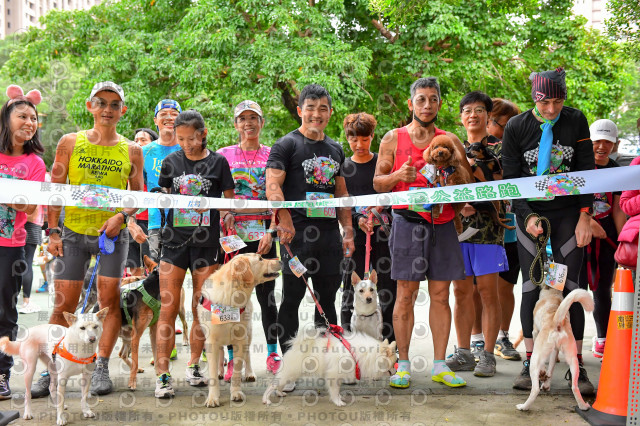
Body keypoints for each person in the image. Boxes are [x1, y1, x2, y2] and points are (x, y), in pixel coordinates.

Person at [39, 81, 144, 398]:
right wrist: (53, 230)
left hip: (112, 234)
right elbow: (55, 188)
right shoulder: (69, 142)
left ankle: (100, 366)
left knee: (109, 302)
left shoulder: (132, 149)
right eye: (101, 102)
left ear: (122, 110)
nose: (108, 109)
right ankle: (51, 369)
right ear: (90, 106)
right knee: (63, 305)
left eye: (114, 104)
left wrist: (122, 217)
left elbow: (137, 193)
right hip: (72, 233)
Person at [373, 77, 473, 389]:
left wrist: (454, 180)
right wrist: (396, 176)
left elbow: (468, 181)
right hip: (407, 224)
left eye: (432, 99)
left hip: (442, 225)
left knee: (442, 295)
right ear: (411, 103)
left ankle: (440, 365)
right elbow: (376, 183)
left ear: (440, 103)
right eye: (421, 99)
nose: (427, 105)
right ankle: (402, 365)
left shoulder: (450, 139)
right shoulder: (393, 138)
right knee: (405, 295)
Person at [501, 68, 595, 395]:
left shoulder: (576, 120)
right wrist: (526, 216)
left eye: (557, 101)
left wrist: (586, 215)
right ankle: (530, 364)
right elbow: (511, 179)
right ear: (534, 99)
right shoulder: (516, 127)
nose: (552, 110)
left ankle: (577, 366)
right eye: (545, 103)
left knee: (571, 287)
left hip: (569, 214)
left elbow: (587, 170)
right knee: (531, 287)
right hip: (532, 215)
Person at [266, 84, 355, 391]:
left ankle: (329, 364)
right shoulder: (286, 145)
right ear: (301, 110)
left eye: (323, 108)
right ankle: (288, 367)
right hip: (297, 237)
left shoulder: (335, 148)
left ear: (330, 112)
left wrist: (349, 231)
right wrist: (285, 219)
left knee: (327, 300)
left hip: (329, 236)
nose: (316, 114)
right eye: (311, 107)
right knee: (292, 299)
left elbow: (341, 193)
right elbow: (273, 187)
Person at [154, 109, 235, 398]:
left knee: (201, 308)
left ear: (204, 134)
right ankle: (162, 375)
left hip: (206, 243)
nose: (186, 144)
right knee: (168, 307)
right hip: (173, 243)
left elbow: (228, 201)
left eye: (192, 138)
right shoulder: (170, 161)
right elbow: (160, 197)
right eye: (181, 139)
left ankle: (194, 365)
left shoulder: (219, 162)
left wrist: (220, 212)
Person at [217, 100, 281, 377]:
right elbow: (218, 196)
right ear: (235, 124)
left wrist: (271, 230)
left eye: (253, 118)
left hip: (264, 237)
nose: (248, 123)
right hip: (233, 237)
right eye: (242, 119)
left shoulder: (273, 154)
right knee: (230, 298)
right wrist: (225, 215)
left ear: (262, 122)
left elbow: (279, 198)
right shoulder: (223, 155)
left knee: (268, 298)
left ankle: (271, 353)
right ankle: (232, 358)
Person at [445, 92, 506, 378]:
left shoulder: (501, 147)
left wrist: (475, 195)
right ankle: (464, 352)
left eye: (479, 110)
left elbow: (503, 183)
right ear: (461, 117)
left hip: (488, 228)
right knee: (461, 291)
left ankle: (489, 355)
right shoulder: (452, 147)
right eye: (467, 110)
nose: (473, 115)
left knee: (487, 291)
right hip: (457, 229)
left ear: (488, 116)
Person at [0, 85, 46, 399]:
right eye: (22, 116)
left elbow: (30, 208)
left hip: (11, 245)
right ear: (6, 119)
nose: (29, 122)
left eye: (33, 118)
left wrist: (17, 200)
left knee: (5, 312)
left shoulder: (35, 164)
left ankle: (1, 374)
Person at [339, 112, 396, 343]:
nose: (359, 144)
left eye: (364, 139)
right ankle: (348, 342)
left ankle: (390, 344)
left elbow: (392, 195)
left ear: (372, 137)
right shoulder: (343, 167)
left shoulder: (382, 165)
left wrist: (378, 213)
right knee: (350, 289)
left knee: (386, 290)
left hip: (381, 235)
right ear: (347, 138)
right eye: (354, 139)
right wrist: (357, 219)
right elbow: (341, 200)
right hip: (354, 236)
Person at [580, 119, 626, 357]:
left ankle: (602, 338)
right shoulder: (579, 166)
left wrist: (620, 242)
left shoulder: (618, 170)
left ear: (615, 144)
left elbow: (618, 208)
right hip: (578, 232)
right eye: (597, 141)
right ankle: (568, 339)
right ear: (589, 141)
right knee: (573, 288)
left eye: (607, 142)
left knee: (602, 289)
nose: (601, 146)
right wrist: (588, 222)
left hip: (605, 235)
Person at [485, 98, 522, 361]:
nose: (507, 131)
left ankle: (502, 337)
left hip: (513, 229)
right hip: (484, 231)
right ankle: (477, 342)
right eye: (503, 125)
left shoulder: (518, 149)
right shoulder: (474, 148)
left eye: (512, 126)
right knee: (481, 290)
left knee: (506, 287)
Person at [142, 100, 182, 262]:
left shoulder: (189, 149)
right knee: (158, 275)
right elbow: (135, 188)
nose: (169, 118)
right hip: (156, 223)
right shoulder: (144, 151)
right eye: (164, 114)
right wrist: (131, 222)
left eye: (174, 114)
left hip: (186, 222)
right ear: (155, 120)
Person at [126, 128, 158, 276]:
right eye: (136, 140)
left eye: (143, 140)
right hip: (132, 221)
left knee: (150, 266)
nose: (139, 143)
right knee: (133, 267)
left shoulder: (157, 165)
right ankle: (136, 298)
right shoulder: (130, 165)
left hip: (150, 222)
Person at [18, 205, 45, 313]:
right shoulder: (34, 189)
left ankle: (23, 301)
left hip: (21, 225)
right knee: (26, 263)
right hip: (29, 226)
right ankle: (26, 301)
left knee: (21, 263)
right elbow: (32, 214)